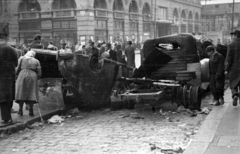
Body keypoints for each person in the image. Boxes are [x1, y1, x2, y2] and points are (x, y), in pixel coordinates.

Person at [15, 50, 42, 116]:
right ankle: (31, 110)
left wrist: (16, 74)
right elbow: (39, 72)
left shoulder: (21, 58)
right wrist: (37, 77)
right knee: (32, 92)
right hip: (33, 75)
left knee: (21, 92)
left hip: (23, 75)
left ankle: (20, 110)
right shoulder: (36, 61)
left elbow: (17, 68)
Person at [0, 43, 18, 124]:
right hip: (11, 75)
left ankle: (6, 118)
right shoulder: (12, 50)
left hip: (1, 76)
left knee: (3, 98)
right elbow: (16, 64)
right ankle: (8, 117)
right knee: (9, 96)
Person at [225, 30, 240, 106]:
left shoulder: (231, 44)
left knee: (233, 84)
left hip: (234, 68)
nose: (232, 36)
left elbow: (229, 58)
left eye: (233, 35)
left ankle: (235, 95)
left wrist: (226, 69)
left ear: (236, 35)